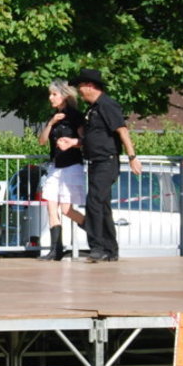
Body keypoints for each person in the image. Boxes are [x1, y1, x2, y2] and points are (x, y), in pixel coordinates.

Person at [54, 68, 141, 263]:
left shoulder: (107, 105)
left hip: (106, 161)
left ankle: (97, 248)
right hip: (95, 162)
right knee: (103, 206)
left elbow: (122, 131)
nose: (79, 90)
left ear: (90, 86)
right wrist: (73, 142)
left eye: (80, 86)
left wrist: (132, 157)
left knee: (93, 202)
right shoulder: (92, 109)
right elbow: (93, 137)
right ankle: (111, 250)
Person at [35, 80, 86, 261]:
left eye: (54, 94)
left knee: (66, 209)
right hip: (55, 166)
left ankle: (95, 232)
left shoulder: (76, 116)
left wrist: (71, 143)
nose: (51, 98)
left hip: (71, 165)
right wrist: (51, 123)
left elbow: (85, 140)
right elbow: (42, 141)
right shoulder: (53, 117)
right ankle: (55, 250)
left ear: (64, 96)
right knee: (51, 206)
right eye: (50, 94)